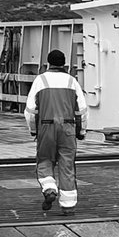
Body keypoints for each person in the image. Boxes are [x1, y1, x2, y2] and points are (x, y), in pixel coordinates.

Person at [25, 49, 88, 214]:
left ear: (48, 63)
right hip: (68, 127)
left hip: (46, 126)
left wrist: (34, 130)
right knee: (67, 165)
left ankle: (50, 188)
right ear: (64, 64)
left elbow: (31, 111)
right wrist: (81, 131)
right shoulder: (72, 81)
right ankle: (68, 206)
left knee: (45, 159)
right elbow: (82, 110)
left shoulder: (41, 80)